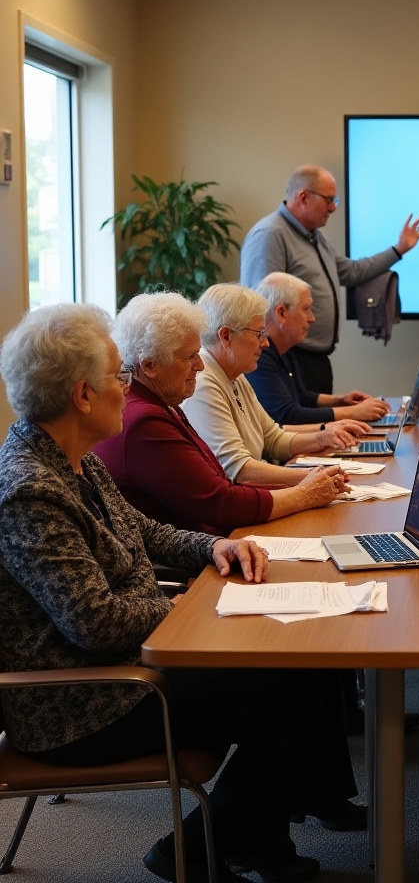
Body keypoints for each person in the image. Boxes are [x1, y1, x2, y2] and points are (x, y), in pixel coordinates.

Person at [0, 303, 365, 883]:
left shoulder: (70, 459)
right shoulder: (30, 490)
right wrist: (175, 610)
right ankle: (190, 852)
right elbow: (92, 622)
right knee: (291, 709)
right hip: (84, 702)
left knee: (305, 671)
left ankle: (258, 847)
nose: (128, 389)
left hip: (131, 661)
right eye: (119, 377)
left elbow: (142, 531)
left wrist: (209, 549)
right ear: (82, 396)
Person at [94, 291, 350, 536]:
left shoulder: (159, 402)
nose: (200, 365)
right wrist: (305, 492)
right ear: (149, 365)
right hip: (196, 561)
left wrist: (308, 478)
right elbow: (221, 502)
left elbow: (224, 482)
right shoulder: (144, 421)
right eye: (190, 356)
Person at [239, 164, 419, 394]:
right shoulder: (270, 235)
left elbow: (351, 272)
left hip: (315, 360)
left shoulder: (314, 236)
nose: (332, 208)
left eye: (335, 201)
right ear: (303, 197)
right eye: (329, 200)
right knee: (298, 425)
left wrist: (398, 250)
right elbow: (262, 304)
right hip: (289, 360)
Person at [182, 283, 363, 484]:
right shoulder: (204, 383)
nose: (265, 343)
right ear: (226, 336)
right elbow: (238, 470)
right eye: (259, 334)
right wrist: (310, 477)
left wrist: (323, 437)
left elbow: (273, 438)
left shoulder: (235, 374)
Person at [248, 272, 390, 428]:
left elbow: (302, 396)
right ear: (281, 313)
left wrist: (341, 400)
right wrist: (353, 412)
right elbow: (287, 415)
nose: (311, 318)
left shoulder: (284, 347)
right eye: (306, 309)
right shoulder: (259, 354)